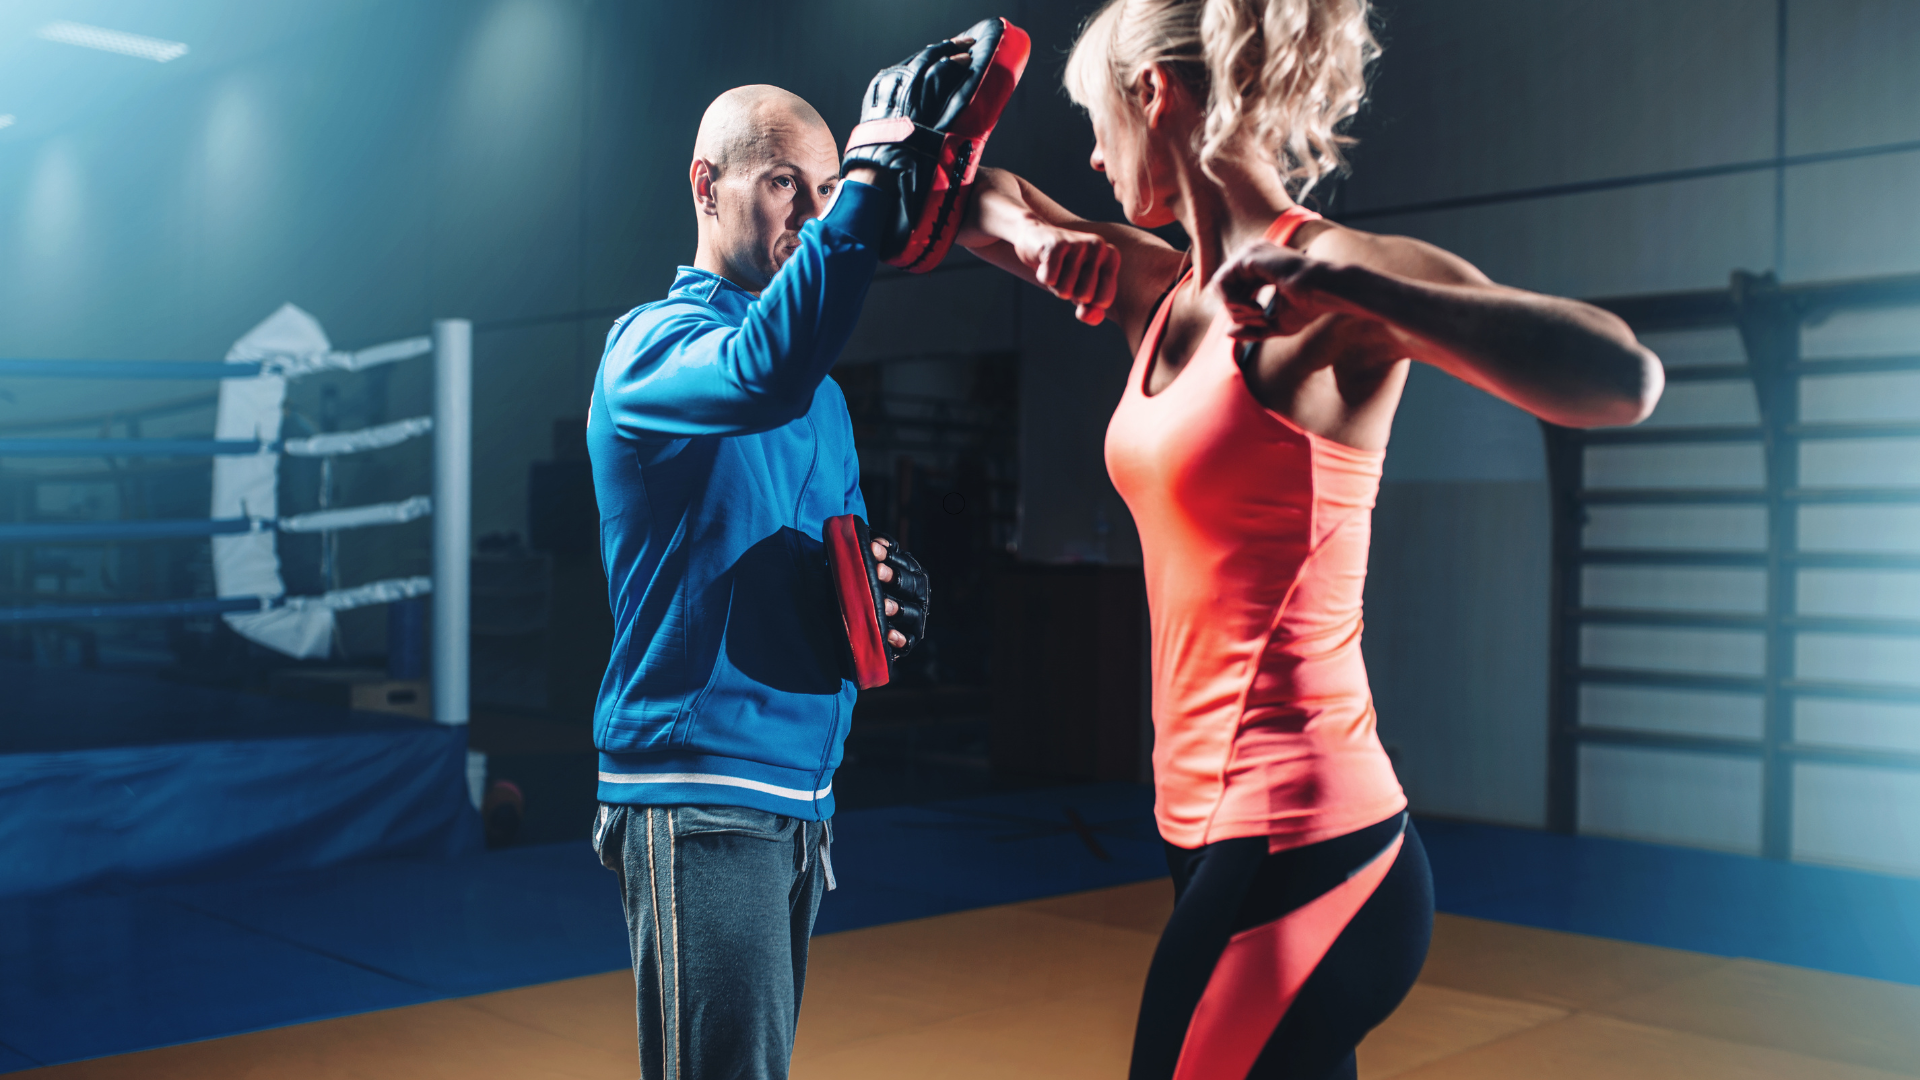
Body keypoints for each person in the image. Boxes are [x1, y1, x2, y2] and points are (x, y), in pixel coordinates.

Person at [954, 1, 1664, 1077]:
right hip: (1200, 834)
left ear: (1157, 93)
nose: (1093, 156)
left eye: (1100, 120)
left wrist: (1358, 292)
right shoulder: (1161, 288)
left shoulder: (1330, 277)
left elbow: (1622, 378)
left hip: (1306, 842)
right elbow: (970, 200)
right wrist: (1037, 238)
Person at [585, 83, 928, 1079]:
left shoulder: (821, 397)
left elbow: (832, 561)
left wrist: (882, 598)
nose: (814, 213)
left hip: (800, 793)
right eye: (787, 184)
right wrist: (873, 183)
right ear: (708, 186)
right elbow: (757, 368)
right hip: (698, 787)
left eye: (829, 188)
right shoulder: (650, 348)